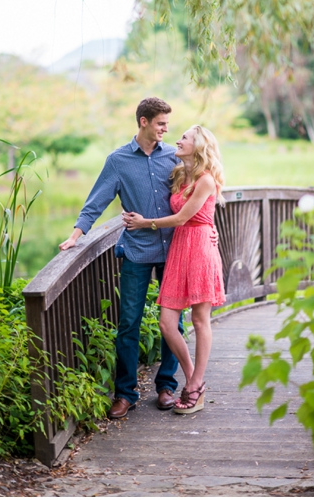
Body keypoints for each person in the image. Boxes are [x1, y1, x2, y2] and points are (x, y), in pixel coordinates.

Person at [60, 97, 184, 418]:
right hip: (137, 251)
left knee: (174, 323)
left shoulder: (174, 156)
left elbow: (198, 194)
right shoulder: (117, 161)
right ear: (143, 121)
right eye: (160, 123)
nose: (165, 130)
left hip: (173, 252)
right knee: (128, 323)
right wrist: (75, 236)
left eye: (167, 124)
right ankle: (125, 393)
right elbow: (96, 202)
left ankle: (166, 386)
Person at [123, 125, 226, 414]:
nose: (177, 140)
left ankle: (194, 385)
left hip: (200, 250)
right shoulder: (180, 173)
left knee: (199, 318)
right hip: (179, 250)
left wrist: (144, 223)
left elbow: (182, 218)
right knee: (167, 323)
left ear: (199, 145)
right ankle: (195, 379)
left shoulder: (205, 180)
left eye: (184, 138)